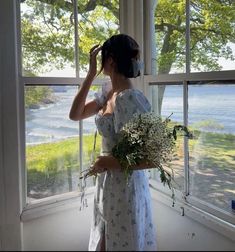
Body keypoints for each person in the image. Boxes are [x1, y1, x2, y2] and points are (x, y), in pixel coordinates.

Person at [69, 34, 157, 251]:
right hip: (108, 185)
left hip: (126, 188)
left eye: (100, 62)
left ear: (110, 61)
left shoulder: (129, 99)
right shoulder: (108, 92)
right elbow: (75, 114)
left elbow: (153, 157)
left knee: (121, 243)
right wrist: (90, 75)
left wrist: (110, 162)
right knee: (104, 240)